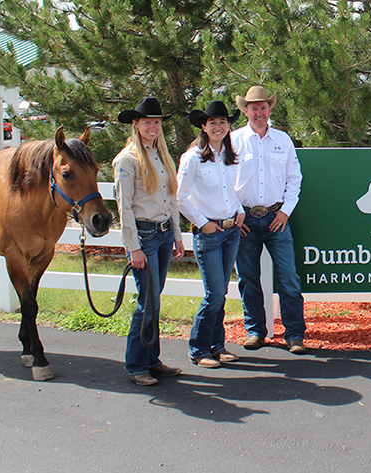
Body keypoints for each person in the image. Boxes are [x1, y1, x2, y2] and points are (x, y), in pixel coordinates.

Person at [231, 85, 308, 354]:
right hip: (246, 219)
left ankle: (295, 334)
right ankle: (255, 331)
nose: (259, 112)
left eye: (263, 107)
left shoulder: (282, 140)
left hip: (277, 218)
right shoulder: (234, 141)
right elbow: (225, 181)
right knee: (248, 278)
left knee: (288, 276)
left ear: (269, 109)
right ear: (245, 111)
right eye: (254, 108)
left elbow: (294, 180)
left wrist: (285, 212)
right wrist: (236, 213)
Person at [114, 97, 185, 386]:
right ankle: (136, 364)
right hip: (144, 236)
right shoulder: (127, 160)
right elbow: (124, 207)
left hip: (164, 233)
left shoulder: (161, 155)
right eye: (147, 122)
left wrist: (178, 236)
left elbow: (171, 199)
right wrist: (133, 247)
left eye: (156, 122)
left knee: (154, 300)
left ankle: (151, 359)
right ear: (136, 124)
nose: (153, 127)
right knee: (147, 301)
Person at [176, 100, 245, 368]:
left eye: (223, 122)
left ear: (228, 127)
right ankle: (198, 348)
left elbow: (230, 192)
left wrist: (239, 210)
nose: (218, 127)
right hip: (209, 233)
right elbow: (180, 197)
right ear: (203, 127)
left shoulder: (229, 155)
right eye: (213, 122)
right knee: (214, 293)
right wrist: (202, 222)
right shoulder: (193, 157)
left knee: (221, 292)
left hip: (231, 231)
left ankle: (217, 346)